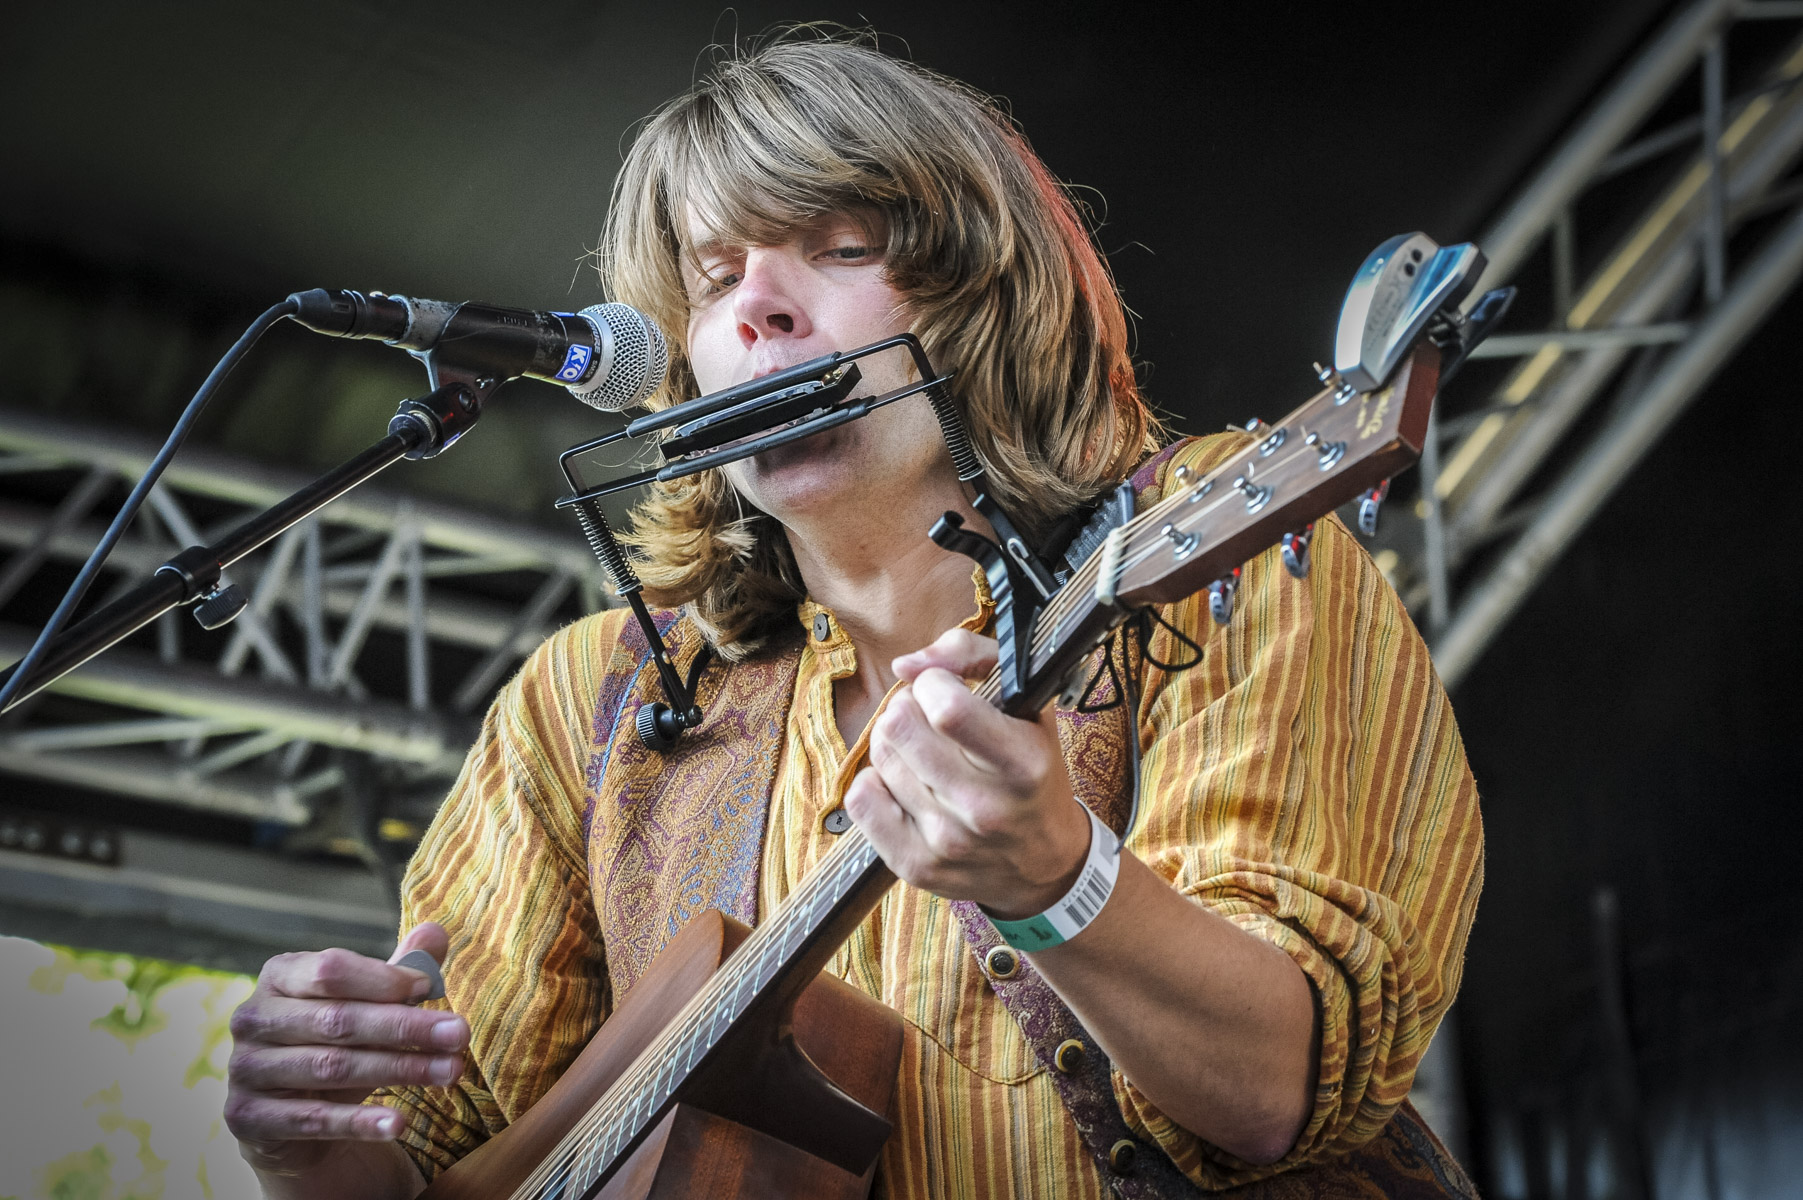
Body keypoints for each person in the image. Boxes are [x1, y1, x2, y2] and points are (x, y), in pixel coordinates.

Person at [223, 33, 1482, 1199]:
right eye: (717, 281)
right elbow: (438, 1162)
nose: (758, 308)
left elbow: (1274, 1094)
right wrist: (315, 1150)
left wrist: (1060, 883)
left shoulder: (1229, 548)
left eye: (836, 248)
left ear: (984, 300)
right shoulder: (581, 708)